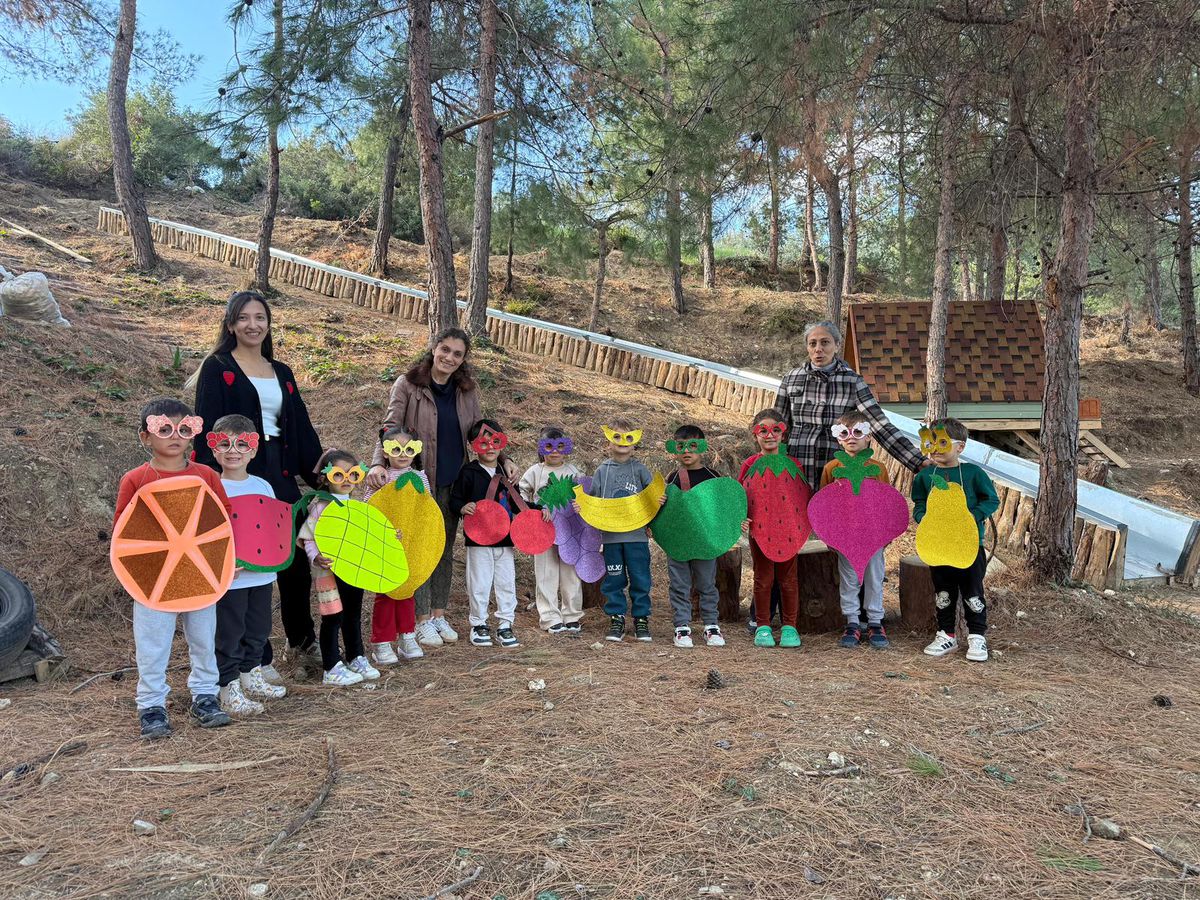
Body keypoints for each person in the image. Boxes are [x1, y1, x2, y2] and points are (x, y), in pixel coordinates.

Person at [192, 291, 323, 679]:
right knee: (250, 565)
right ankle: (256, 658)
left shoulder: (281, 370)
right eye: (244, 318)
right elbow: (207, 427)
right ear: (231, 324)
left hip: (280, 474)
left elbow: (300, 426)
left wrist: (321, 474)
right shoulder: (218, 367)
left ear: (268, 324)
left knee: (294, 564)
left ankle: (303, 643)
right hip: (239, 474)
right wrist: (211, 479)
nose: (253, 325)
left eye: (260, 317)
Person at [365, 327, 517, 649]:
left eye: (457, 354)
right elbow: (389, 427)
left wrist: (504, 460)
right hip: (417, 483)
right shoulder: (408, 385)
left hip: (453, 481)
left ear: (463, 359)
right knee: (418, 547)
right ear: (434, 348)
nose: (449, 357)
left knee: (443, 548)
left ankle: (438, 614)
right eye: (445, 349)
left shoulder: (466, 391)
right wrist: (378, 463)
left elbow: (481, 432)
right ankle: (420, 620)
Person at [114, 398, 232, 739]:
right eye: (164, 429)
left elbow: (220, 522)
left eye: (183, 429)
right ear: (145, 436)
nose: (175, 436)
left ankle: (205, 697)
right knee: (152, 645)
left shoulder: (206, 475)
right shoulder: (136, 479)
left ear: (193, 433)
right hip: (155, 577)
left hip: (200, 572)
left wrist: (224, 561)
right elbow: (125, 530)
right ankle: (151, 705)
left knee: (203, 640)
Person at [773, 320, 927, 486]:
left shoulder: (852, 381)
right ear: (807, 347)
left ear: (837, 346)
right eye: (812, 343)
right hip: (796, 465)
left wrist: (917, 461)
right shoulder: (791, 379)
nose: (818, 349)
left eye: (825, 342)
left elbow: (878, 424)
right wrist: (772, 463)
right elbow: (777, 427)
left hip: (838, 467)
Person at [208, 415, 288, 714]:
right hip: (230, 578)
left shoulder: (263, 485)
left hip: (262, 576)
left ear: (253, 450)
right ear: (214, 449)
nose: (234, 451)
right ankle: (227, 687)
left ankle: (250, 676)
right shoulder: (213, 486)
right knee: (229, 633)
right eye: (225, 444)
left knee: (258, 629)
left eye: (242, 444)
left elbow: (271, 526)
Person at [913, 418, 999, 662]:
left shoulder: (973, 474)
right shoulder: (925, 476)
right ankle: (946, 635)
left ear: (960, 447)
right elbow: (919, 502)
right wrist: (923, 518)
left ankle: (977, 636)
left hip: (969, 545)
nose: (935, 448)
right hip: (939, 545)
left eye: (942, 442)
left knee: (973, 592)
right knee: (943, 592)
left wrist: (972, 517)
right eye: (930, 443)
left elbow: (991, 500)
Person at [297, 449, 379, 686]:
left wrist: (389, 537)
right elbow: (307, 538)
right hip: (328, 572)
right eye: (338, 475)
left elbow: (367, 536)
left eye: (352, 475)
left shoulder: (357, 507)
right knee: (333, 616)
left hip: (353, 570)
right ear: (326, 478)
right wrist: (316, 557)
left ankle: (356, 656)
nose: (346, 480)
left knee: (353, 614)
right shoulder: (320, 507)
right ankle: (331, 666)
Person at [819, 411, 890, 650]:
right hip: (845, 536)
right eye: (845, 433)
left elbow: (887, 502)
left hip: (873, 535)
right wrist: (829, 535)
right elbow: (824, 503)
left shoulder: (878, 468)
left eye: (858, 432)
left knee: (874, 576)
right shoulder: (832, 468)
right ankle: (852, 622)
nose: (851, 438)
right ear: (838, 438)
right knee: (849, 578)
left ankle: (875, 621)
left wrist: (885, 534)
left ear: (868, 437)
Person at [585, 418, 660, 643]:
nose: (622, 442)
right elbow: (594, 501)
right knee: (614, 579)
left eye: (628, 437)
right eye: (616, 436)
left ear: (635, 442)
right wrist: (584, 507)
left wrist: (656, 509)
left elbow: (652, 499)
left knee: (640, 578)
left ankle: (641, 619)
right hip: (611, 538)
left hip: (637, 537)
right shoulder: (602, 470)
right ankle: (617, 618)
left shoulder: (640, 470)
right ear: (608, 441)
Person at [451, 419, 520, 649]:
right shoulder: (469, 472)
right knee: (479, 582)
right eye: (483, 443)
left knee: (506, 582)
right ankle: (479, 623)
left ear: (502, 443)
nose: (490, 448)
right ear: (473, 446)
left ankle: (505, 623)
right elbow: (455, 499)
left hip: (505, 540)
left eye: (495, 442)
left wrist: (538, 511)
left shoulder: (506, 473)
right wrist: (463, 507)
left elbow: (518, 503)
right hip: (478, 540)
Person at [363, 425, 428, 665]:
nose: (402, 454)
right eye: (395, 449)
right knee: (386, 593)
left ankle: (407, 635)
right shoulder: (380, 478)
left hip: (411, 544)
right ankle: (382, 641)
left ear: (415, 451)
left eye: (408, 449)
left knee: (407, 590)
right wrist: (385, 532)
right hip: (385, 545)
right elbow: (370, 509)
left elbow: (427, 510)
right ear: (385, 451)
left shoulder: (421, 478)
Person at [738, 409, 802, 650]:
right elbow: (741, 494)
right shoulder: (750, 464)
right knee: (763, 578)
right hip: (760, 530)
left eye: (776, 430)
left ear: (783, 434)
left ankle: (790, 626)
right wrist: (742, 518)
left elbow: (800, 495)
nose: (769, 435)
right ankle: (763, 625)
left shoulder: (793, 464)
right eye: (762, 430)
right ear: (755, 435)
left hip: (789, 530)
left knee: (788, 579)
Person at [663, 425, 726, 649]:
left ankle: (711, 625)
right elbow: (667, 511)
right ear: (675, 449)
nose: (687, 451)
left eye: (692, 445)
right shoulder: (672, 478)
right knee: (679, 584)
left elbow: (722, 508)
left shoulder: (713, 476)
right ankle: (681, 627)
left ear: (703, 447)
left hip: (705, 541)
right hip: (678, 541)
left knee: (707, 584)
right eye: (681, 446)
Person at [518, 427, 585, 634]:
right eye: (549, 446)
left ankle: (571, 615)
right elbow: (521, 492)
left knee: (571, 574)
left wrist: (582, 505)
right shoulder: (535, 471)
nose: (555, 451)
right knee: (546, 573)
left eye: (560, 446)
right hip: (543, 530)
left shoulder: (574, 472)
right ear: (541, 448)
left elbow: (584, 494)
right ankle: (549, 617)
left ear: (566, 448)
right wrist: (532, 510)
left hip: (570, 531)